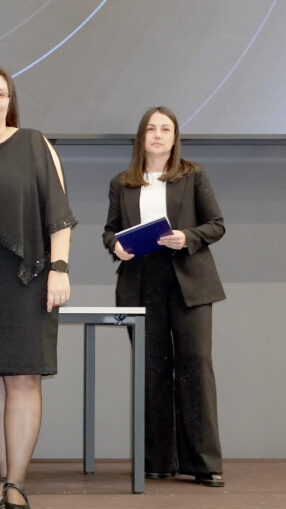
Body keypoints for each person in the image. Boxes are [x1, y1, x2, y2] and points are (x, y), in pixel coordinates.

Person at [0, 64, 76, 509]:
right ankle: (3, 477)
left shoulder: (33, 143)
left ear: (10, 100)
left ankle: (17, 484)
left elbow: (58, 213)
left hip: (29, 275)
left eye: (0, 94)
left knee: (24, 378)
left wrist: (59, 269)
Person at [102, 106, 226, 487]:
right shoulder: (122, 183)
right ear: (141, 137)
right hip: (141, 283)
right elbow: (110, 231)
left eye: (165, 129)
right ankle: (157, 459)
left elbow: (216, 224)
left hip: (189, 282)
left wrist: (187, 237)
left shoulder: (194, 175)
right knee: (152, 370)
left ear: (175, 138)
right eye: (151, 129)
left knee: (195, 366)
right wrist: (115, 246)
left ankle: (204, 463)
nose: (157, 135)